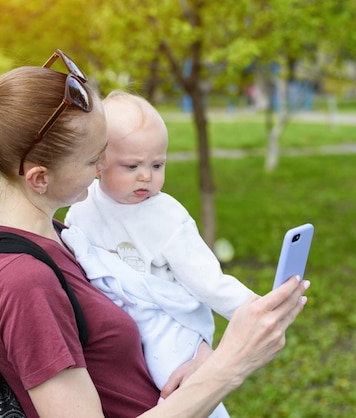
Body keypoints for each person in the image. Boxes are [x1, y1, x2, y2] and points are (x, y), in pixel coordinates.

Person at [0, 48, 310, 418]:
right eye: (93, 159)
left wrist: (196, 356)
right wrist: (232, 364)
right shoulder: (22, 281)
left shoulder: (60, 234)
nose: (103, 168)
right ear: (39, 178)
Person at [62, 91, 256, 417]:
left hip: (168, 321)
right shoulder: (82, 206)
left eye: (157, 164)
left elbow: (207, 280)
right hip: (114, 323)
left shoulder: (167, 216)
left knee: (177, 381)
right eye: (132, 165)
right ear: (98, 163)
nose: (146, 176)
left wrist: (254, 309)